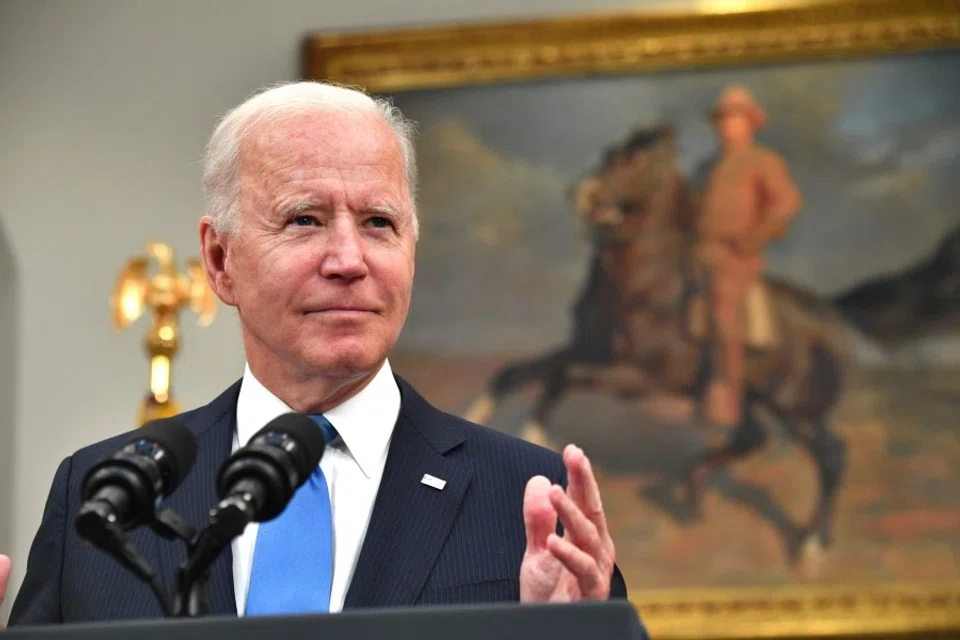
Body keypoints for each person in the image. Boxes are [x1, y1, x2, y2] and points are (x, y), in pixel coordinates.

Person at [2, 81, 633, 628]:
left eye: (379, 223)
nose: (349, 260)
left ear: (412, 249)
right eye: (304, 219)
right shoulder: (102, 499)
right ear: (221, 260)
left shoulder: (527, 499)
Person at [693, 86, 802, 427]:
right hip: (699, 251)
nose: (727, 126)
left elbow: (786, 203)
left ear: (750, 124)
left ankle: (727, 399)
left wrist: (753, 237)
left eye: (735, 119)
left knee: (725, 316)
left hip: (735, 257)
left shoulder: (763, 161)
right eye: (723, 119)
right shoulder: (709, 167)